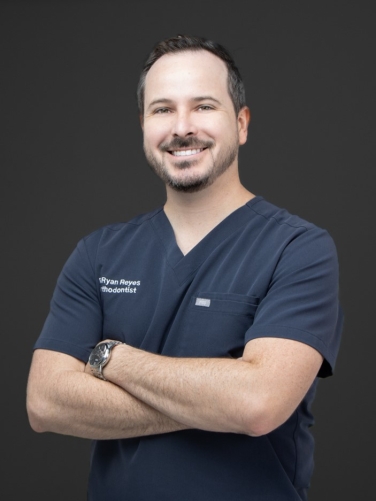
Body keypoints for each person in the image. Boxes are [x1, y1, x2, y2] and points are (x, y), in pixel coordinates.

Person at [26, 35, 343, 501]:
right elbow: (45, 402)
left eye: (203, 106)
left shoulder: (298, 248)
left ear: (242, 123)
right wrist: (219, 400)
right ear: (143, 125)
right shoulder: (97, 253)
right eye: (162, 110)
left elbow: (258, 403)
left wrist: (111, 357)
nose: (182, 127)